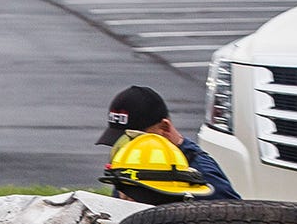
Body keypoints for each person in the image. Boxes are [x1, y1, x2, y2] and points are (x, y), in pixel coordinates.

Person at [94, 84, 239, 200]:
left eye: (135, 140)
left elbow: (235, 221)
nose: (127, 148)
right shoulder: (130, 167)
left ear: (164, 127)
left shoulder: (200, 172)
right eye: (121, 143)